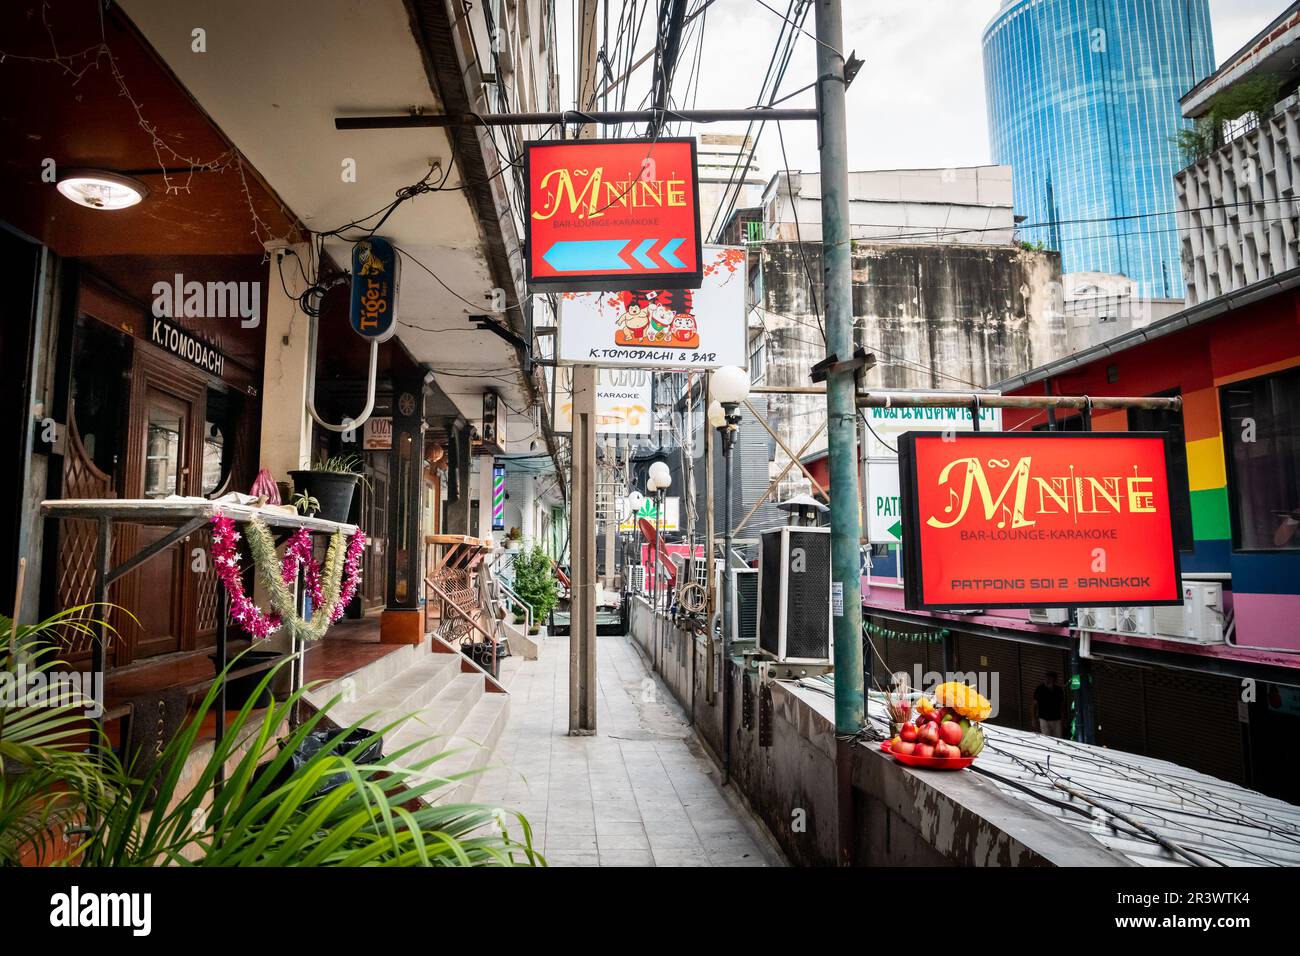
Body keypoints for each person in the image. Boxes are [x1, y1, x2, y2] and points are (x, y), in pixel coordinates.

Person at [1033, 671, 1065, 738]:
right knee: (1046, 738)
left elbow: (1061, 705)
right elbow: (1034, 704)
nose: (1048, 680)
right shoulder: (1040, 689)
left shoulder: (1058, 690)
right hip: (1044, 718)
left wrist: (1063, 718)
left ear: (1054, 680)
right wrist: (1034, 718)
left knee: (1058, 738)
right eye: (1046, 678)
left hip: (1056, 718)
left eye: (1050, 679)